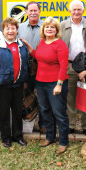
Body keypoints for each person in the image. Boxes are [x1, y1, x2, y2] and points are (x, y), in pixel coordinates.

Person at [24, 17, 69, 154]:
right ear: (43, 29)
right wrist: (27, 45)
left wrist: (59, 84)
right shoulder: (42, 42)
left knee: (59, 112)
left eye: (52, 27)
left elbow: (63, 66)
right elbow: (38, 57)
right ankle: (50, 136)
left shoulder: (60, 44)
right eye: (47, 27)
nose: (49, 29)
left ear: (57, 30)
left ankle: (63, 141)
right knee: (45, 110)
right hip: (41, 82)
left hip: (55, 83)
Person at [0, 17, 29, 148]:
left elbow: (25, 64)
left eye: (13, 28)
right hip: (2, 85)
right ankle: (6, 138)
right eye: (7, 28)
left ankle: (18, 136)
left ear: (16, 30)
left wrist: (24, 79)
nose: (10, 31)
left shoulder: (22, 45)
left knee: (17, 112)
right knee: (3, 112)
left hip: (18, 85)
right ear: (3, 30)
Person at [61, 0, 86, 136]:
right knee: (70, 96)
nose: (76, 12)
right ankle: (71, 124)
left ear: (83, 11)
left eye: (79, 9)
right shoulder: (62, 25)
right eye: (74, 9)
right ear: (69, 11)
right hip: (69, 65)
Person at [18, 1, 45, 133]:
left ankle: (43, 123)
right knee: (26, 96)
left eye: (36, 10)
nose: (33, 13)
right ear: (26, 12)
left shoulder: (46, 26)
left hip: (43, 67)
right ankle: (26, 123)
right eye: (30, 10)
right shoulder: (20, 28)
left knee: (43, 96)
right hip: (25, 68)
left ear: (40, 12)